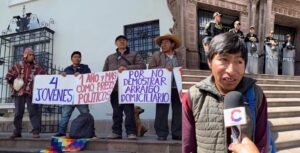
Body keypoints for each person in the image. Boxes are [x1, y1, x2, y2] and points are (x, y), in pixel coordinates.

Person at [182, 32, 268, 153]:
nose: (231, 71)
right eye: (224, 59)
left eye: (239, 61)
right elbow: (188, 147)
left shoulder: (256, 94)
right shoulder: (192, 97)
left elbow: (262, 143)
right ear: (209, 62)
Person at [103, 35, 146, 140]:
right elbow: (105, 72)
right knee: (116, 112)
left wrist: (127, 68)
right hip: (114, 88)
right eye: (119, 40)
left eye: (123, 40)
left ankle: (131, 132)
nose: (121, 42)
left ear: (127, 43)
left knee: (129, 112)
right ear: (116, 43)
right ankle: (116, 132)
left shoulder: (134, 54)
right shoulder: (110, 57)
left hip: (128, 88)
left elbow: (142, 66)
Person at [149, 34, 183, 141]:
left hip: (177, 87)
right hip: (162, 88)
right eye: (161, 43)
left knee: (178, 111)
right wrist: (163, 68)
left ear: (172, 44)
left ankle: (177, 133)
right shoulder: (156, 56)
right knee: (161, 111)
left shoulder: (180, 56)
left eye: (166, 43)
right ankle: (161, 134)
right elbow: (150, 70)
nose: (163, 45)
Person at [6, 48, 46, 139]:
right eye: (30, 54)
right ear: (25, 55)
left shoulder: (38, 68)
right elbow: (8, 76)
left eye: (33, 55)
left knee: (33, 112)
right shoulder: (17, 66)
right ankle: (17, 131)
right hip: (19, 93)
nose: (32, 56)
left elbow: (45, 78)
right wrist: (14, 80)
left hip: (31, 93)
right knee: (18, 113)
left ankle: (36, 131)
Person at [54, 51, 92, 137]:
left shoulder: (85, 68)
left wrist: (81, 75)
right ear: (71, 59)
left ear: (80, 58)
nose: (77, 58)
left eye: (78, 57)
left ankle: (91, 132)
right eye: (75, 57)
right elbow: (62, 82)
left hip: (81, 97)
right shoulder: (67, 69)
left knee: (86, 114)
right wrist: (61, 75)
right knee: (65, 115)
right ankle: (61, 132)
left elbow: (90, 78)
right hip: (69, 97)